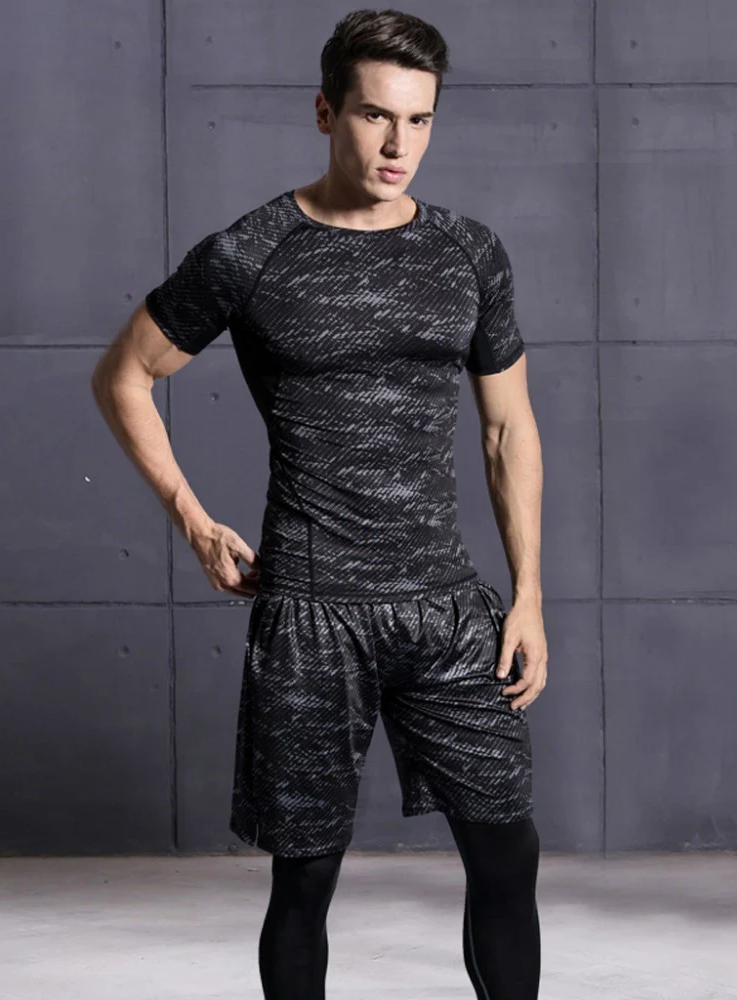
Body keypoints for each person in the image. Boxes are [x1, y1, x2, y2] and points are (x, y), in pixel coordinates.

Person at [91, 8, 548, 998]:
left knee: (509, 851)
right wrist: (192, 519)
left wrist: (529, 596)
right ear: (325, 111)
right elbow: (124, 374)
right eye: (376, 115)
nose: (397, 144)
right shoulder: (252, 251)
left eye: (419, 120)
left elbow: (508, 429)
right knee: (304, 880)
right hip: (310, 612)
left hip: (445, 608)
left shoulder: (469, 252)